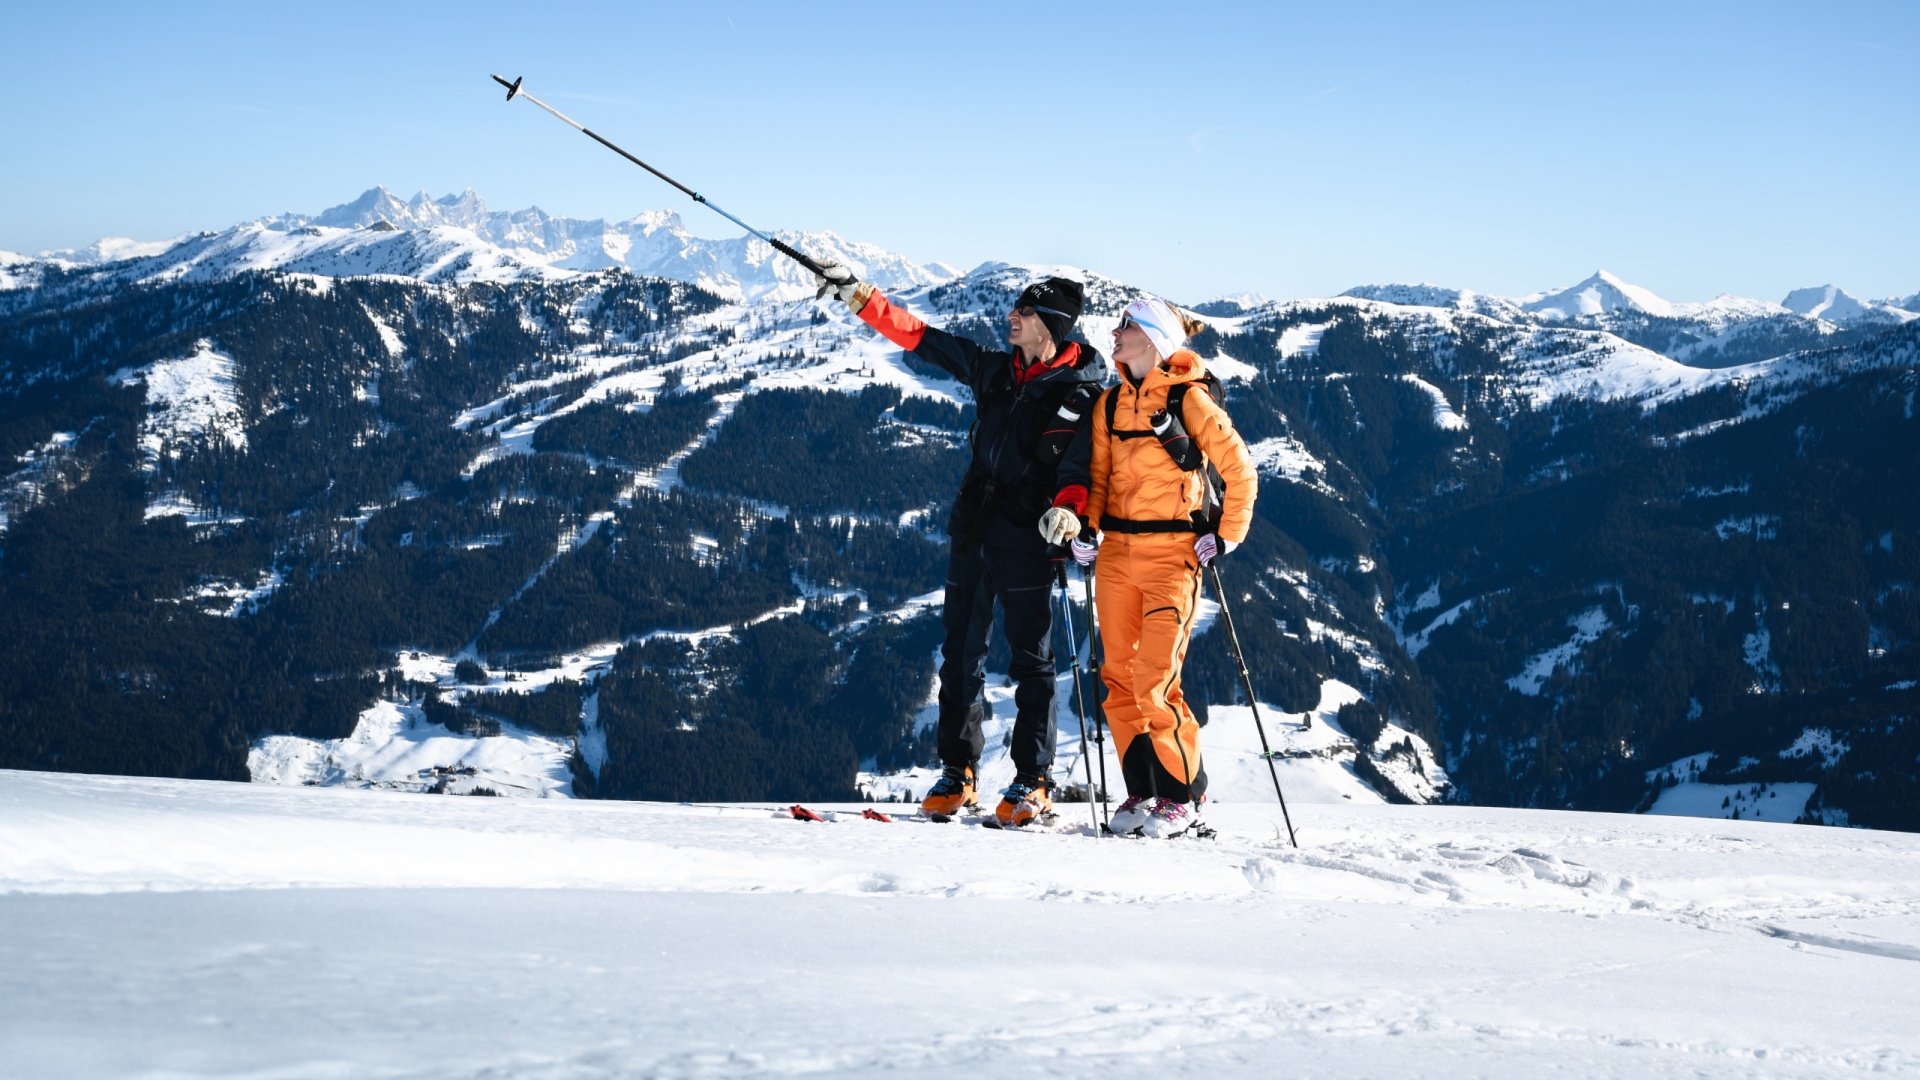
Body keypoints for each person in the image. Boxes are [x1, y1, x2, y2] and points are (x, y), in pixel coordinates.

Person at [814, 261, 1109, 827]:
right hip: (974, 527)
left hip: (1029, 537)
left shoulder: (1082, 394)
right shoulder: (997, 370)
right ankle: (958, 771)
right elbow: (924, 339)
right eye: (1016, 306)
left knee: (1032, 660)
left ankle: (1033, 779)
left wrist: (1069, 513)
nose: (1012, 316)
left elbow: (1079, 469)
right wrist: (862, 298)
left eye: (1025, 310)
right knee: (960, 654)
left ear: (1051, 324)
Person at [1042, 297, 1257, 838]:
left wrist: (1226, 536)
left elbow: (1240, 469)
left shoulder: (1189, 399)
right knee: (1117, 678)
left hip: (1172, 557)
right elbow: (1097, 477)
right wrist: (1088, 531)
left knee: (1155, 679)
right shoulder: (1109, 404)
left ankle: (1183, 797)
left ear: (1154, 339)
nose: (1115, 333)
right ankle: (1142, 790)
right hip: (1116, 556)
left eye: (1127, 326)